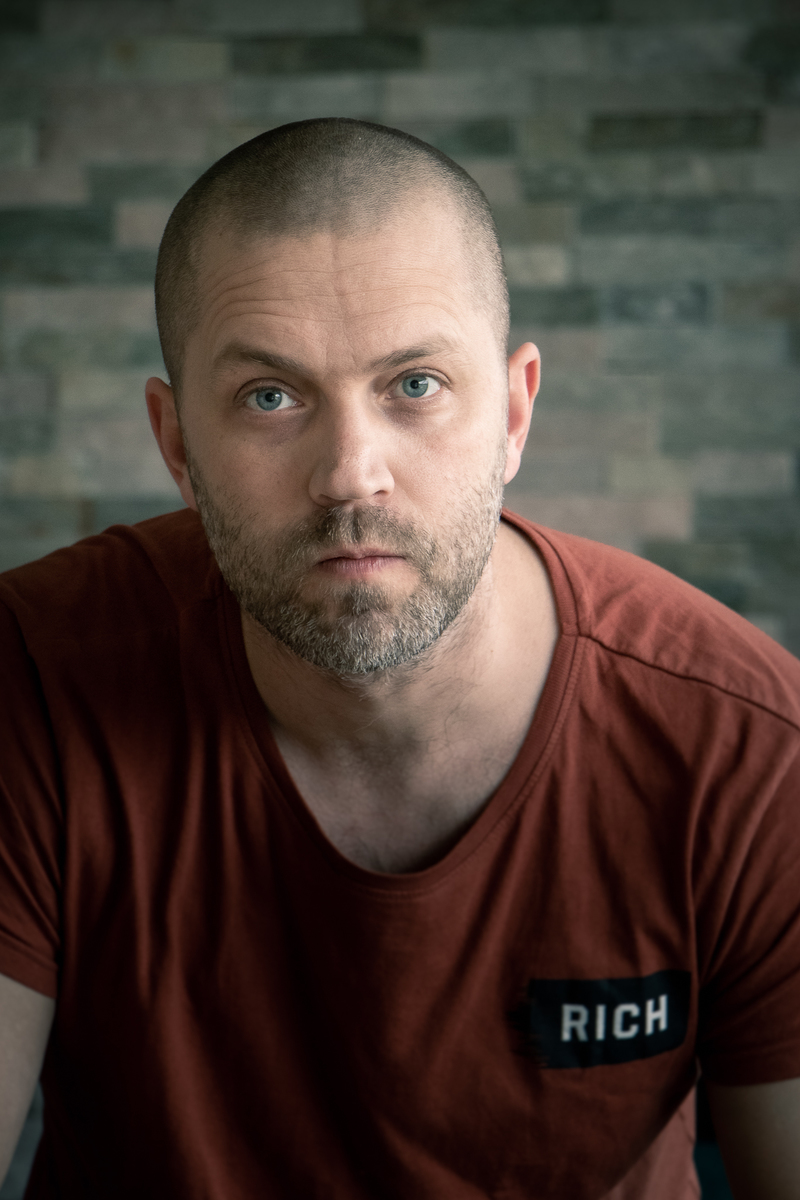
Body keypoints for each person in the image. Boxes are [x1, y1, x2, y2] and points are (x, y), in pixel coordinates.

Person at [0, 118, 798, 1200]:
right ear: (178, 444)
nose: (349, 474)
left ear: (513, 412)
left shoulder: (749, 749)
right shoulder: (32, 680)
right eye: (271, 396)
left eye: (414, 384)